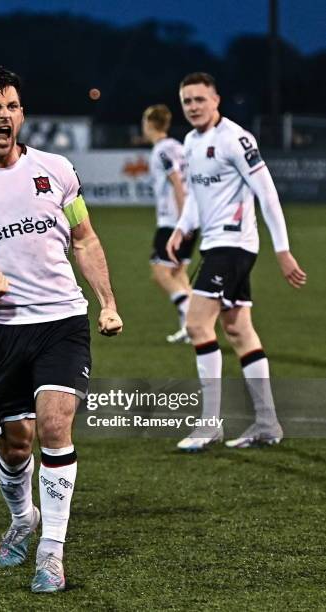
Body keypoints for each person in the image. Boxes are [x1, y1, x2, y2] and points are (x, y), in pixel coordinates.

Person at [0, 67, 122, 593]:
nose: (6, 116)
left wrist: (106, 301)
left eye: (13, 106)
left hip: (61, 319)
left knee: (55, 426)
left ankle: (51, 553)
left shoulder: (56, 171)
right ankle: (22, 518)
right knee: (16, 446)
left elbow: (84, 238)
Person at [166, 72, 306, 452]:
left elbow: (268, 193)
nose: (193, 107)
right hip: (215, 246)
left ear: (216, 100)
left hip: (234, 245)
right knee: (240, 330)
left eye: (200, 99)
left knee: (196, 324)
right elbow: (195, 195)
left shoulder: (236, 139)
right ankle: (267, 423)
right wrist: (182, 229)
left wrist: (283, 249)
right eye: (187, 101)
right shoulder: (191, 142)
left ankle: (210, 425)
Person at [142, 104, 197, 344]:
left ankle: (190, 314)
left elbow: (176, 181)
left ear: (149, 124)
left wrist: (183, 221)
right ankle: (193, 327)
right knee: (178, 272)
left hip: (173, 221)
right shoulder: (180, 147)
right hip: (191, 218)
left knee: (160, 272)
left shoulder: (162, 150)